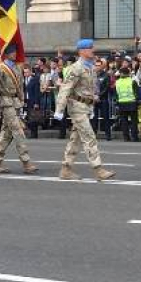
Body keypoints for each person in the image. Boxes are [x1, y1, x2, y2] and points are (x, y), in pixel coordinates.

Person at [54, 39, 115, 181]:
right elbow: (65, 88)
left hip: (85, 107)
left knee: (76, 140)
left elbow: (90, 89)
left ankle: (66, 169)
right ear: (81, 51)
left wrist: (91, 105)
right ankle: (98, 169)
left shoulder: (90, 67)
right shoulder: (76, 68)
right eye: (89, 48)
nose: (93, 50)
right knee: (89, 137)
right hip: (76, 107)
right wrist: (59, 109)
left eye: (92, 47)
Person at [0, 44, 38, 175]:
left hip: (15, 102)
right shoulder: (0, 69)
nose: (14, 54)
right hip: (6, 102)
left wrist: (21, 101)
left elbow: (20, 86)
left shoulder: (16, 67)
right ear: (6, 54)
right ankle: (26, 162)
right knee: (17, 130)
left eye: (15, 51)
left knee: (6, 133)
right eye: (11, 52)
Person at [115, 67, 141, 142]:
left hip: (122, 103)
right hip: (132, 102)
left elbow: (116, 93)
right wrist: (138, 101)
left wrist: (117, 101)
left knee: (124, 122)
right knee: (134, 121)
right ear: (128, 73)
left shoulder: (117, 82)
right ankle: (134, 137)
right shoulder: (132, 81)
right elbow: (137, 93)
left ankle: (126, 137)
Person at [91, 59, 112, 141]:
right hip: (93, 99)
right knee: (94, 118)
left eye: (98, 65)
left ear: (102, 66)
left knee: (106, 118)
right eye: (96, 65)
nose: (97, 66)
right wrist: (93, 96)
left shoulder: (106, 75)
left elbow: (106, 88)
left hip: (103, 99)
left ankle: (108, 135)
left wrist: (98, 96)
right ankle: (93, 134)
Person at [23, 64, 41, 139]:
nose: (25, 74)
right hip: (26, 100)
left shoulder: (35, 79)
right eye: (24, 72)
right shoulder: (24, 80)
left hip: (33, 100)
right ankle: (31, 132)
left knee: (33, 118)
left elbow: (37, 92)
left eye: (27, 72)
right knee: (28, 117)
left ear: (30, 72)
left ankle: (34, 134)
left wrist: (36, 103)